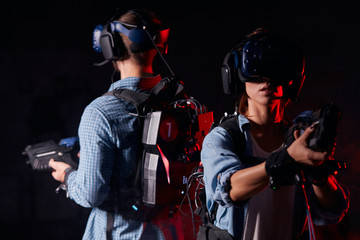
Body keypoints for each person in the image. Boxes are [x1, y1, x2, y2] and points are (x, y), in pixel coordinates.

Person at [200, 28, 349, 240]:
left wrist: (319, 174)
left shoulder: (299, 138)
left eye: (275, 69)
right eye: (254, 68)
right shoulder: (223, 138)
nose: (266, 80)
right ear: (236, 74)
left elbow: (332, 212)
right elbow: (229, 188)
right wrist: (286, 159)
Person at [49, 9, 185, 240]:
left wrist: (68, 176)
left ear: (111, 48)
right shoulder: (181, 104)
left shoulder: (100, 113)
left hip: (121, 233)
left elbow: (91, 194)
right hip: (175, 231)